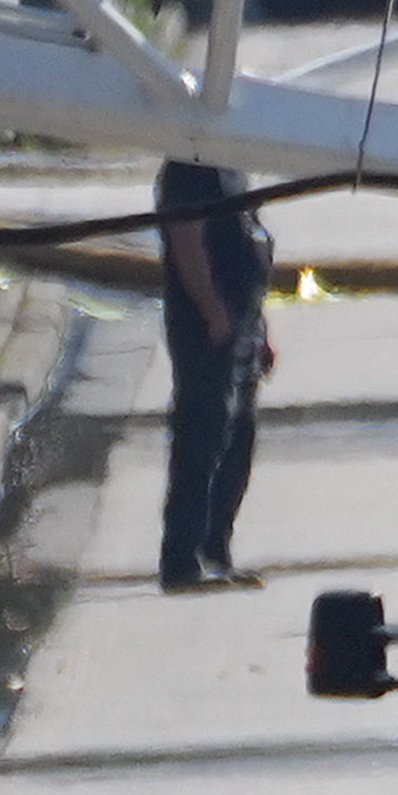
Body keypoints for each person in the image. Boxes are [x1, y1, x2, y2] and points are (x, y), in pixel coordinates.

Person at [151, 155, 274, 592]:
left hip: (243, 324)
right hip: (208, 326)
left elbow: (248, 237)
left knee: (238, 440)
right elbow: (187, 241)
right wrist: (213, 311)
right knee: (203, 436)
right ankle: (182, 560)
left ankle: (215, 550)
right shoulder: (190, 168)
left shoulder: (230, 164)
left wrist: (261, 332)